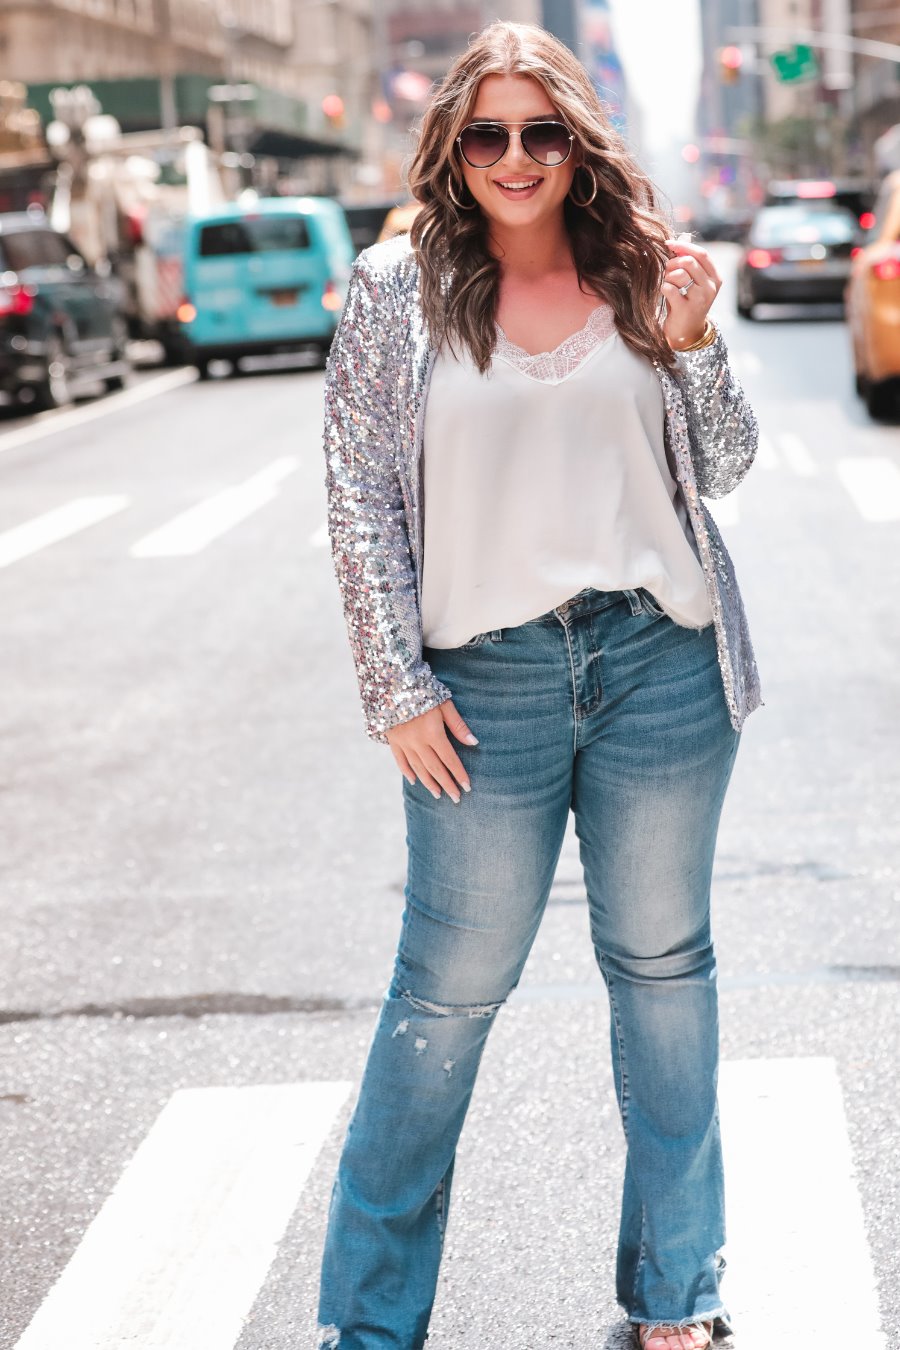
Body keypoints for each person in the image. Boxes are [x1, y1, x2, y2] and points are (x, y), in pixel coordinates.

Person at [317, 20, 761, 1350]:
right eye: (490, 133)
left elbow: (728, 465)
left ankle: (676, 1298)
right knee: (445, 991)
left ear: (578, 143)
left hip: (660, 662)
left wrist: (692, 341)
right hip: (484, 682)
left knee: (665, 969)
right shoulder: (396, 289)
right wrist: (395, 684)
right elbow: (357, 499)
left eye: (542, 132)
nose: (517, 157)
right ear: (454, 146)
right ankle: (369, 1320)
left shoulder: (644, 270)